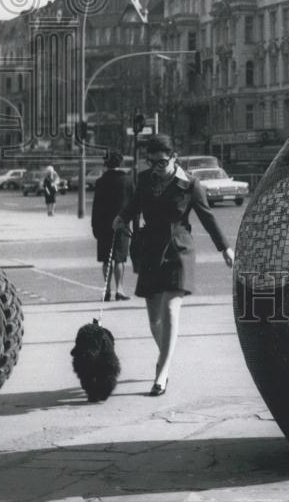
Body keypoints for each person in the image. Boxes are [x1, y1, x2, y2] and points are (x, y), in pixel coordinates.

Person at [113, 134, 234, 396]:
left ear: (174, 158)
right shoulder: (145, 179)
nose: (156, 167)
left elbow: (207, 217)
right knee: (154, 320)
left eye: (162, 162)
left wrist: (225, 248)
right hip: (150, 250)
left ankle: (162, 372)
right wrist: (121, 217)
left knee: (169, 309)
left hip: (179, 250)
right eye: (151, 162)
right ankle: (165, 356)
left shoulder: (190, 184)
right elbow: (135, 204)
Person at [92, 150, 134, 302]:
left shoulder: (100, 182)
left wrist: (94, 227)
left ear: (105, 164)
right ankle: (120, 289)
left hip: (103, 225)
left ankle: (107, 290)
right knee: (120, 259)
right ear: (120, 163)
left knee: (106, 259)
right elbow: (134, 205)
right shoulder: (128, 181)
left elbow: (95, 207)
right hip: (122, 224)